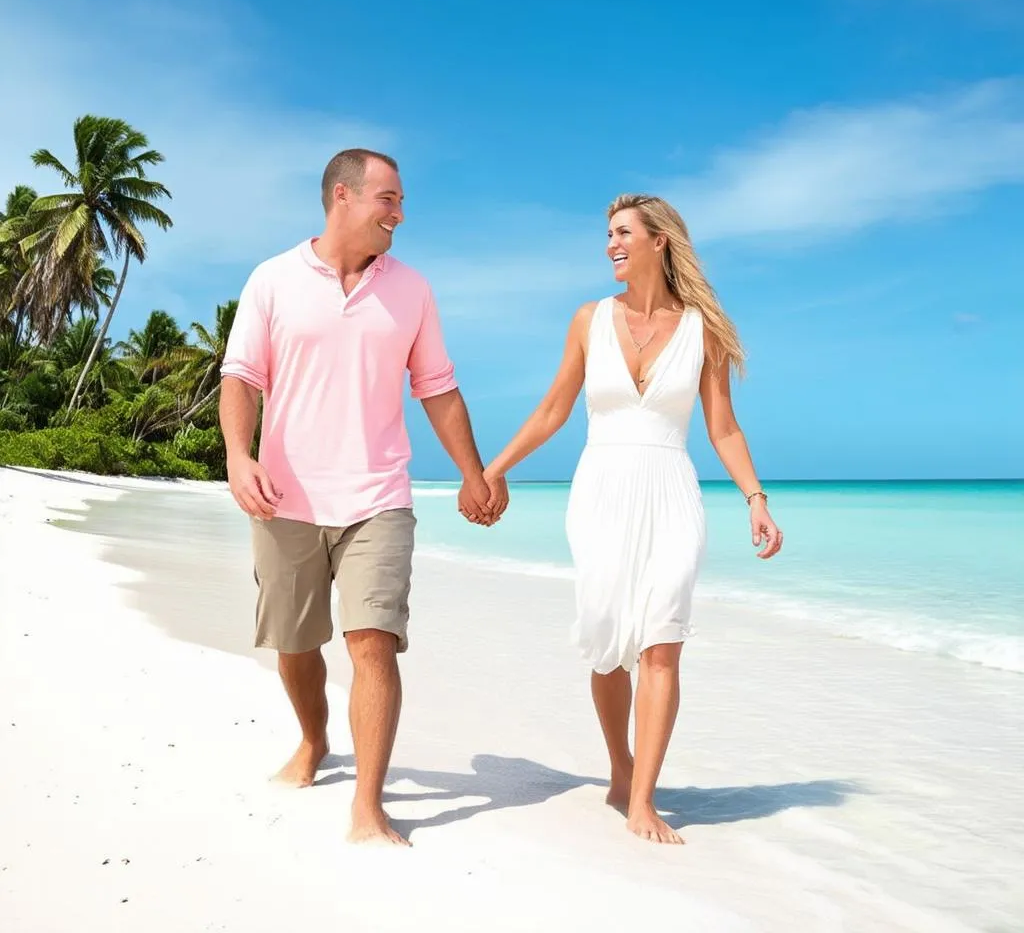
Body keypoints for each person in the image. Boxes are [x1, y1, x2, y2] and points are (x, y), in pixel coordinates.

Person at [219, 148, 508, 846]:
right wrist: (237, 456)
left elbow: (436, 387)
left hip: (378, 495)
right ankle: (314, 741)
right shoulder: (273, 279)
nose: (400, 214)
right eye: (389, 199)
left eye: (401, 201)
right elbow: (241, 376)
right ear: (342, 196)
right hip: (285, 495)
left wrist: (475, 473)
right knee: (294, 643)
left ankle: (368, 806)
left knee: (373, 642)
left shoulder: (412, 290)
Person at [481, 194, 782, 845]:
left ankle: (643, 799)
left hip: (671, 490)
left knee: (662, 644)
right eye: (608, 235)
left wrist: (755, 498)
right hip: (601, 492)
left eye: (622, 233)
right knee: (606, 640)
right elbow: (552, 411)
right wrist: (493, 469)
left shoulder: (704, 331)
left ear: (659, 242)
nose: (611, 244)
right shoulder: (590, 319)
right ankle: (619, 767)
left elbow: (723, 427)